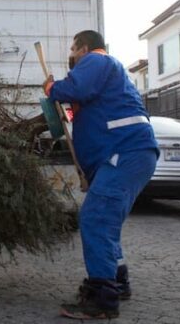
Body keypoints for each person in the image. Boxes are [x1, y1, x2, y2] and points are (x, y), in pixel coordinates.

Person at [43, 30, 159, 320]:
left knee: (95, 218)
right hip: (126, 155)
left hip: (124, 153)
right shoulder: (106, 74)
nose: (71, 55)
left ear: (84, 48)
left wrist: (51, 88)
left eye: (73, 49)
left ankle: (103, 299)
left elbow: (76, 88)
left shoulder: (96, 60)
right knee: (106, 223)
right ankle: (117, 283)